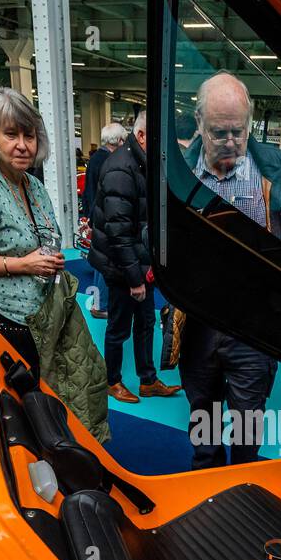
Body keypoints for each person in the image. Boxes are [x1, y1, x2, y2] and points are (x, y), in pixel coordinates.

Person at [0, 87, 110, 443]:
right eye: (11, 134)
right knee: (12, 418)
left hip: (41, 321)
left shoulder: (33, 186)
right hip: (0, 324)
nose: (22, 144)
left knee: (65, 394)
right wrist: (23, 264)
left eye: (29, 135)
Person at [180, 71, 281, 467]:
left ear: (250, 123)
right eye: (218, 133)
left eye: (238, 132)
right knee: (202, 415)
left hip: (256, 331)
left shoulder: (279, 171)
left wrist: (279, 305)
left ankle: (241, 481)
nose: (230, 143)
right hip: (198, 324)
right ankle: (204, 478)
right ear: (200, 124)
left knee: (247, 424)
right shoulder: (176, 173)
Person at [89, 110, 182, 403]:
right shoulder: (120, 169)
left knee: (145, 324)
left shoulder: (142, 164)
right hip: (122, 267)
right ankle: (112, 381)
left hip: (142, 263)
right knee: (118, 328)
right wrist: (134, 279)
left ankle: (148, 379)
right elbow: (118, 232)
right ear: (142, 136)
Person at [80, 121, 126, 318]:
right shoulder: (110, 162)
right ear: (119, 141)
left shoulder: (95, 159)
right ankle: (103, 305)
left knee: (100, 261)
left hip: (95, 216)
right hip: (104, 218)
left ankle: (101, 303)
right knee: (105, 263)